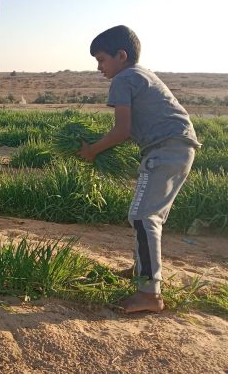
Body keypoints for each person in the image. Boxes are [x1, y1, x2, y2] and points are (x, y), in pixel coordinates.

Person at [77, 25, 200, 313]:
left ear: (121, 55)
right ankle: (140, 271)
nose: (99, 67)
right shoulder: (142, 75)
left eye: (101, 59)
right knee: (148, 216)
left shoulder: (124, 78)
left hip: (165, 150)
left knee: (143, 216)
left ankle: (149, 293)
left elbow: (122, 130)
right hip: (180, 147)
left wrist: (92, 151)